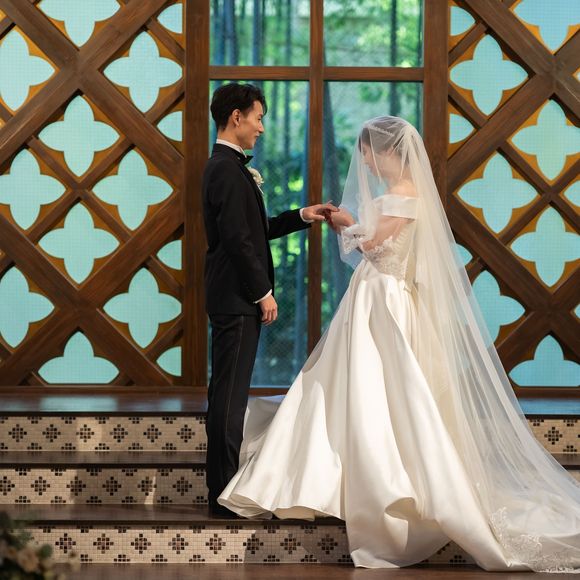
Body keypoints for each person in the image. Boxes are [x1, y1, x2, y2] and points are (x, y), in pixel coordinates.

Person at [218, 116, 580, 572]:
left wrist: (347, 223)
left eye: (368, 154)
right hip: (373, 296)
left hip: (384, 300)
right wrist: (348, 225)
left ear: (388, 152)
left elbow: (373, 247)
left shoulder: (404, 195)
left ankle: (380, 479)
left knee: (380, 387)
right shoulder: (399, 194)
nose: (366, 163)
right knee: (354, 385)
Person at [202, 83, 336, 517]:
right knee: (229, 397)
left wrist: (302, 216)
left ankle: (222, 488)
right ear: (236, 117)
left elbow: (254, 231)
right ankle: (221, 493)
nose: (261, 128)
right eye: (258, 118)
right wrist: (263, 293)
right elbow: (238, 242)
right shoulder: (225, 169)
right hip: (237, 297)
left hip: (233, 296)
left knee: (229, 392)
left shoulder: (229, 167)